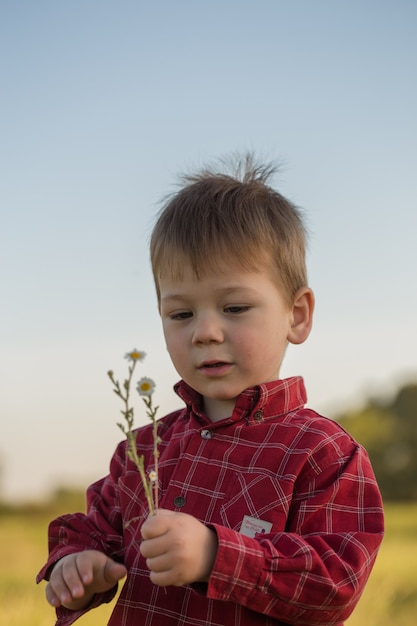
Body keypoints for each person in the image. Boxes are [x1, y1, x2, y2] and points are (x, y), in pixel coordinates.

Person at [37, 154, 384, 626]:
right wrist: (77, 566)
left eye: (235, 307)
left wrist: (216, 556)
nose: (205, 332)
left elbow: (335, 583)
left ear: (297, 315)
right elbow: (94, 530)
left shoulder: (324, 454)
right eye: (181, 314)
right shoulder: (142, 451)